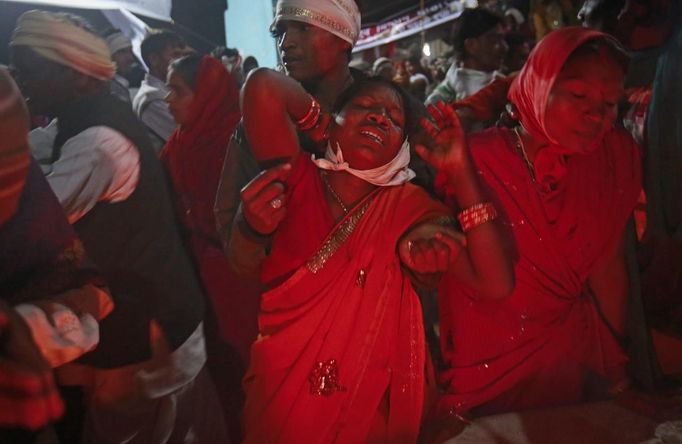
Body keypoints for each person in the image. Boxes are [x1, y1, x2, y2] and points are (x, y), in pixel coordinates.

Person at [236, 66, 513, 442]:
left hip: (370, 414)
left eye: (394, 118)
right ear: (333, 121)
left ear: (402, 147)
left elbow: (495, 284)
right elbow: (263, 86)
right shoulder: (296, 177)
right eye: (364, 105)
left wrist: (460, 170)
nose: (379, 116)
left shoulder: (410, 205)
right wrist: (321, 127)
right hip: (281, 402)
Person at [11, 11, 226, 443]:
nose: (23, 83)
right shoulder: (84, 121)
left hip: (150, 341)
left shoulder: (98, 144)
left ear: (79, 76)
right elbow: (36, 145)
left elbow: (27, 219)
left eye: (31, 71)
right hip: (155, 326)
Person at [436, 27, 642, 419]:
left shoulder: (614, 157)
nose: (596, 116)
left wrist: (618, 376)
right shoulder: (473, 159)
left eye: (611, 103)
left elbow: (608, 266)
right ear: (537, 85)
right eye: (579, 96)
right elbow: (458, 284)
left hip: (577, 356)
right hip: (488, 364)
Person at [213, 0, 363, 367]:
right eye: (280, 32)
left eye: (302, 29)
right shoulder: (256, 128)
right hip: (304, 326)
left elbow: (429, 208)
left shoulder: (388, 108)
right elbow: (238, 255)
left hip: (382, 316)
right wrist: (251, 228)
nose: (287, 43)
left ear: (343, 38)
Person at [161, 53, 243, 441]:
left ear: (207, 94)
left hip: (238, 276)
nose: (166, 98)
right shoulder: (178, 144)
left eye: (177, 90)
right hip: (199, 273)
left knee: (245, 360)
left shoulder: (239, 142)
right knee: (218, 365)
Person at [426, 7, 508, 106]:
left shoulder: (503, 83)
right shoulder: (439, 104)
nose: (504, 47)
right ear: (470, 45)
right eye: (493, 40)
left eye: (502, 38)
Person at [133, 30, 188, 153]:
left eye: (182, 55)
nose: (182, 61)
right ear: (154, 59)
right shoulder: (152, 99)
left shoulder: (163, 92)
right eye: (175, 55)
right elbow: (189, 140)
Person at [103, 29, 135, 104]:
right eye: (122, 52)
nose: (130, 58)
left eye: (130, 51)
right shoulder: (106, 90)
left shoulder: (122, 86)